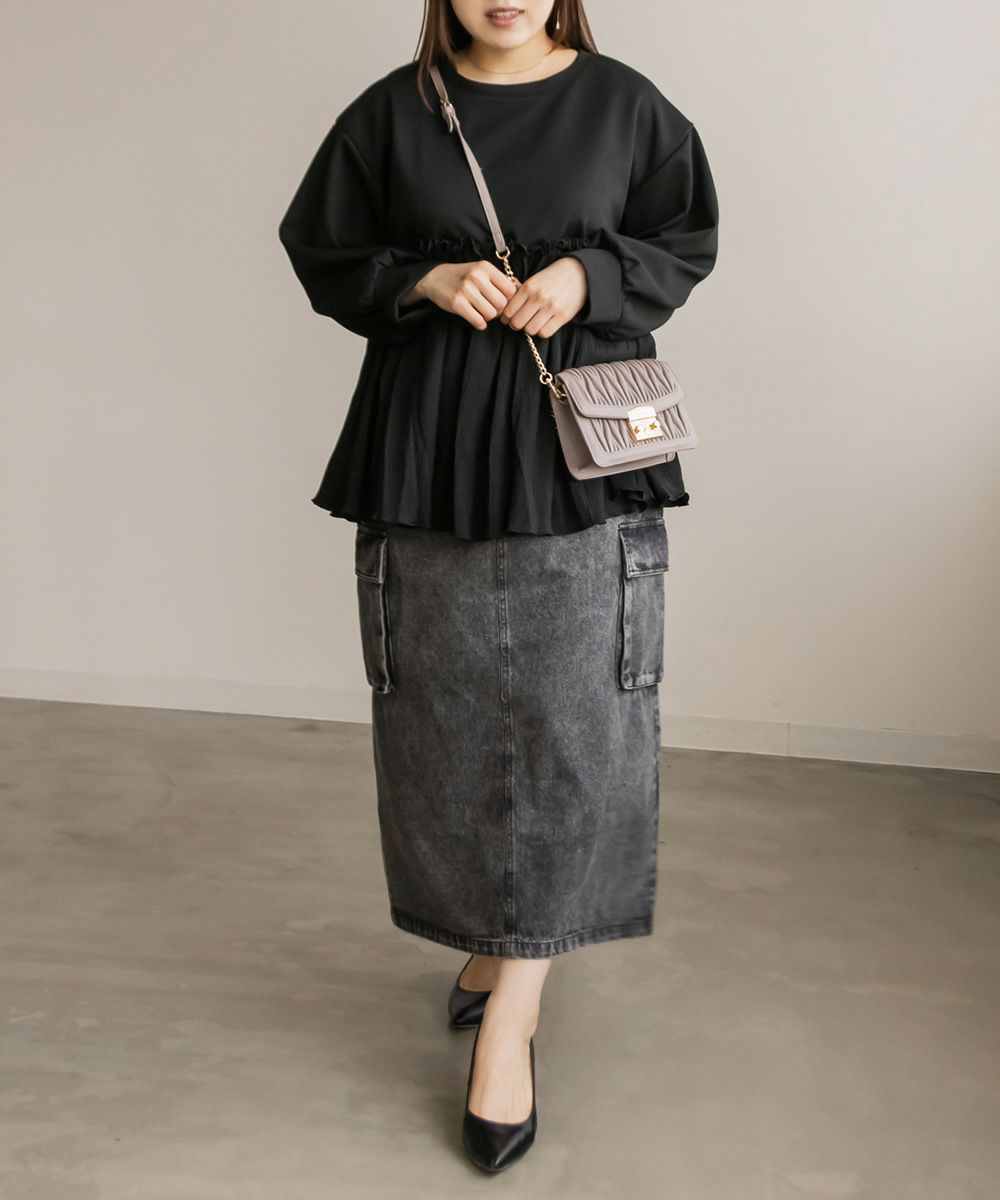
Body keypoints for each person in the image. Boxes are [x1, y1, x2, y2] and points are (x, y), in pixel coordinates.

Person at [277, 0, 718, 1173]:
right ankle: (496, 939)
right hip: (430, 445)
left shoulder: (621, 104)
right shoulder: (393, 114)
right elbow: (324, 249)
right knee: (446, 721)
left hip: (582, 443)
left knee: (576, 726)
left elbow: (684, 234)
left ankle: (511, 1014)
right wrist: (426, 281)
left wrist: (587, 274)